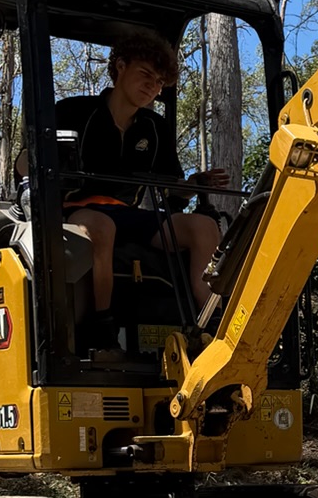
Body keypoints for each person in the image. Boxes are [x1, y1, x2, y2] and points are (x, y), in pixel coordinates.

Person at [56, 29, 227, 350]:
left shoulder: (154, 128)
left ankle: (209, 319)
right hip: (75, 210)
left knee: (202, 226)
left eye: (160, 82)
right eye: (146, 74)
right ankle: (102, 326)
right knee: (102, 227)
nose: (152, 87)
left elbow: (172, 189)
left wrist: (195, 184)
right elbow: (30, 164)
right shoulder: (74, 112)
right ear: (120, 66)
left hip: (130, 216)